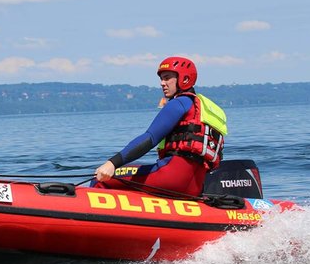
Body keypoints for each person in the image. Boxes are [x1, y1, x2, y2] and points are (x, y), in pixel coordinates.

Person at [93, 56, 227, 197]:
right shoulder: (205, 109)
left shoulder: (178, 103)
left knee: (101, 180)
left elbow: (150, 138)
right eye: (161, 79)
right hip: (194, 187)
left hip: (169, 178)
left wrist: (112, 164)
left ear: (184, 79)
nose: (162, 83)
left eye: (167, 78)